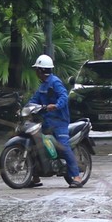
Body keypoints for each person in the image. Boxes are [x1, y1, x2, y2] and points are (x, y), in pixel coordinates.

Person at [30, 54, 86, 188]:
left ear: (42, 70)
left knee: (64, 147)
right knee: (35, 144)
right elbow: (34, 100)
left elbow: (63, 96)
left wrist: (55, 105)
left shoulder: (55, 82)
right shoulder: (43, 86)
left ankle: (77, 176)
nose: (36, 72)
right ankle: (35, 177)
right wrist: (26, 108)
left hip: (59, 122)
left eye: (37, 69)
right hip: (46, 122)